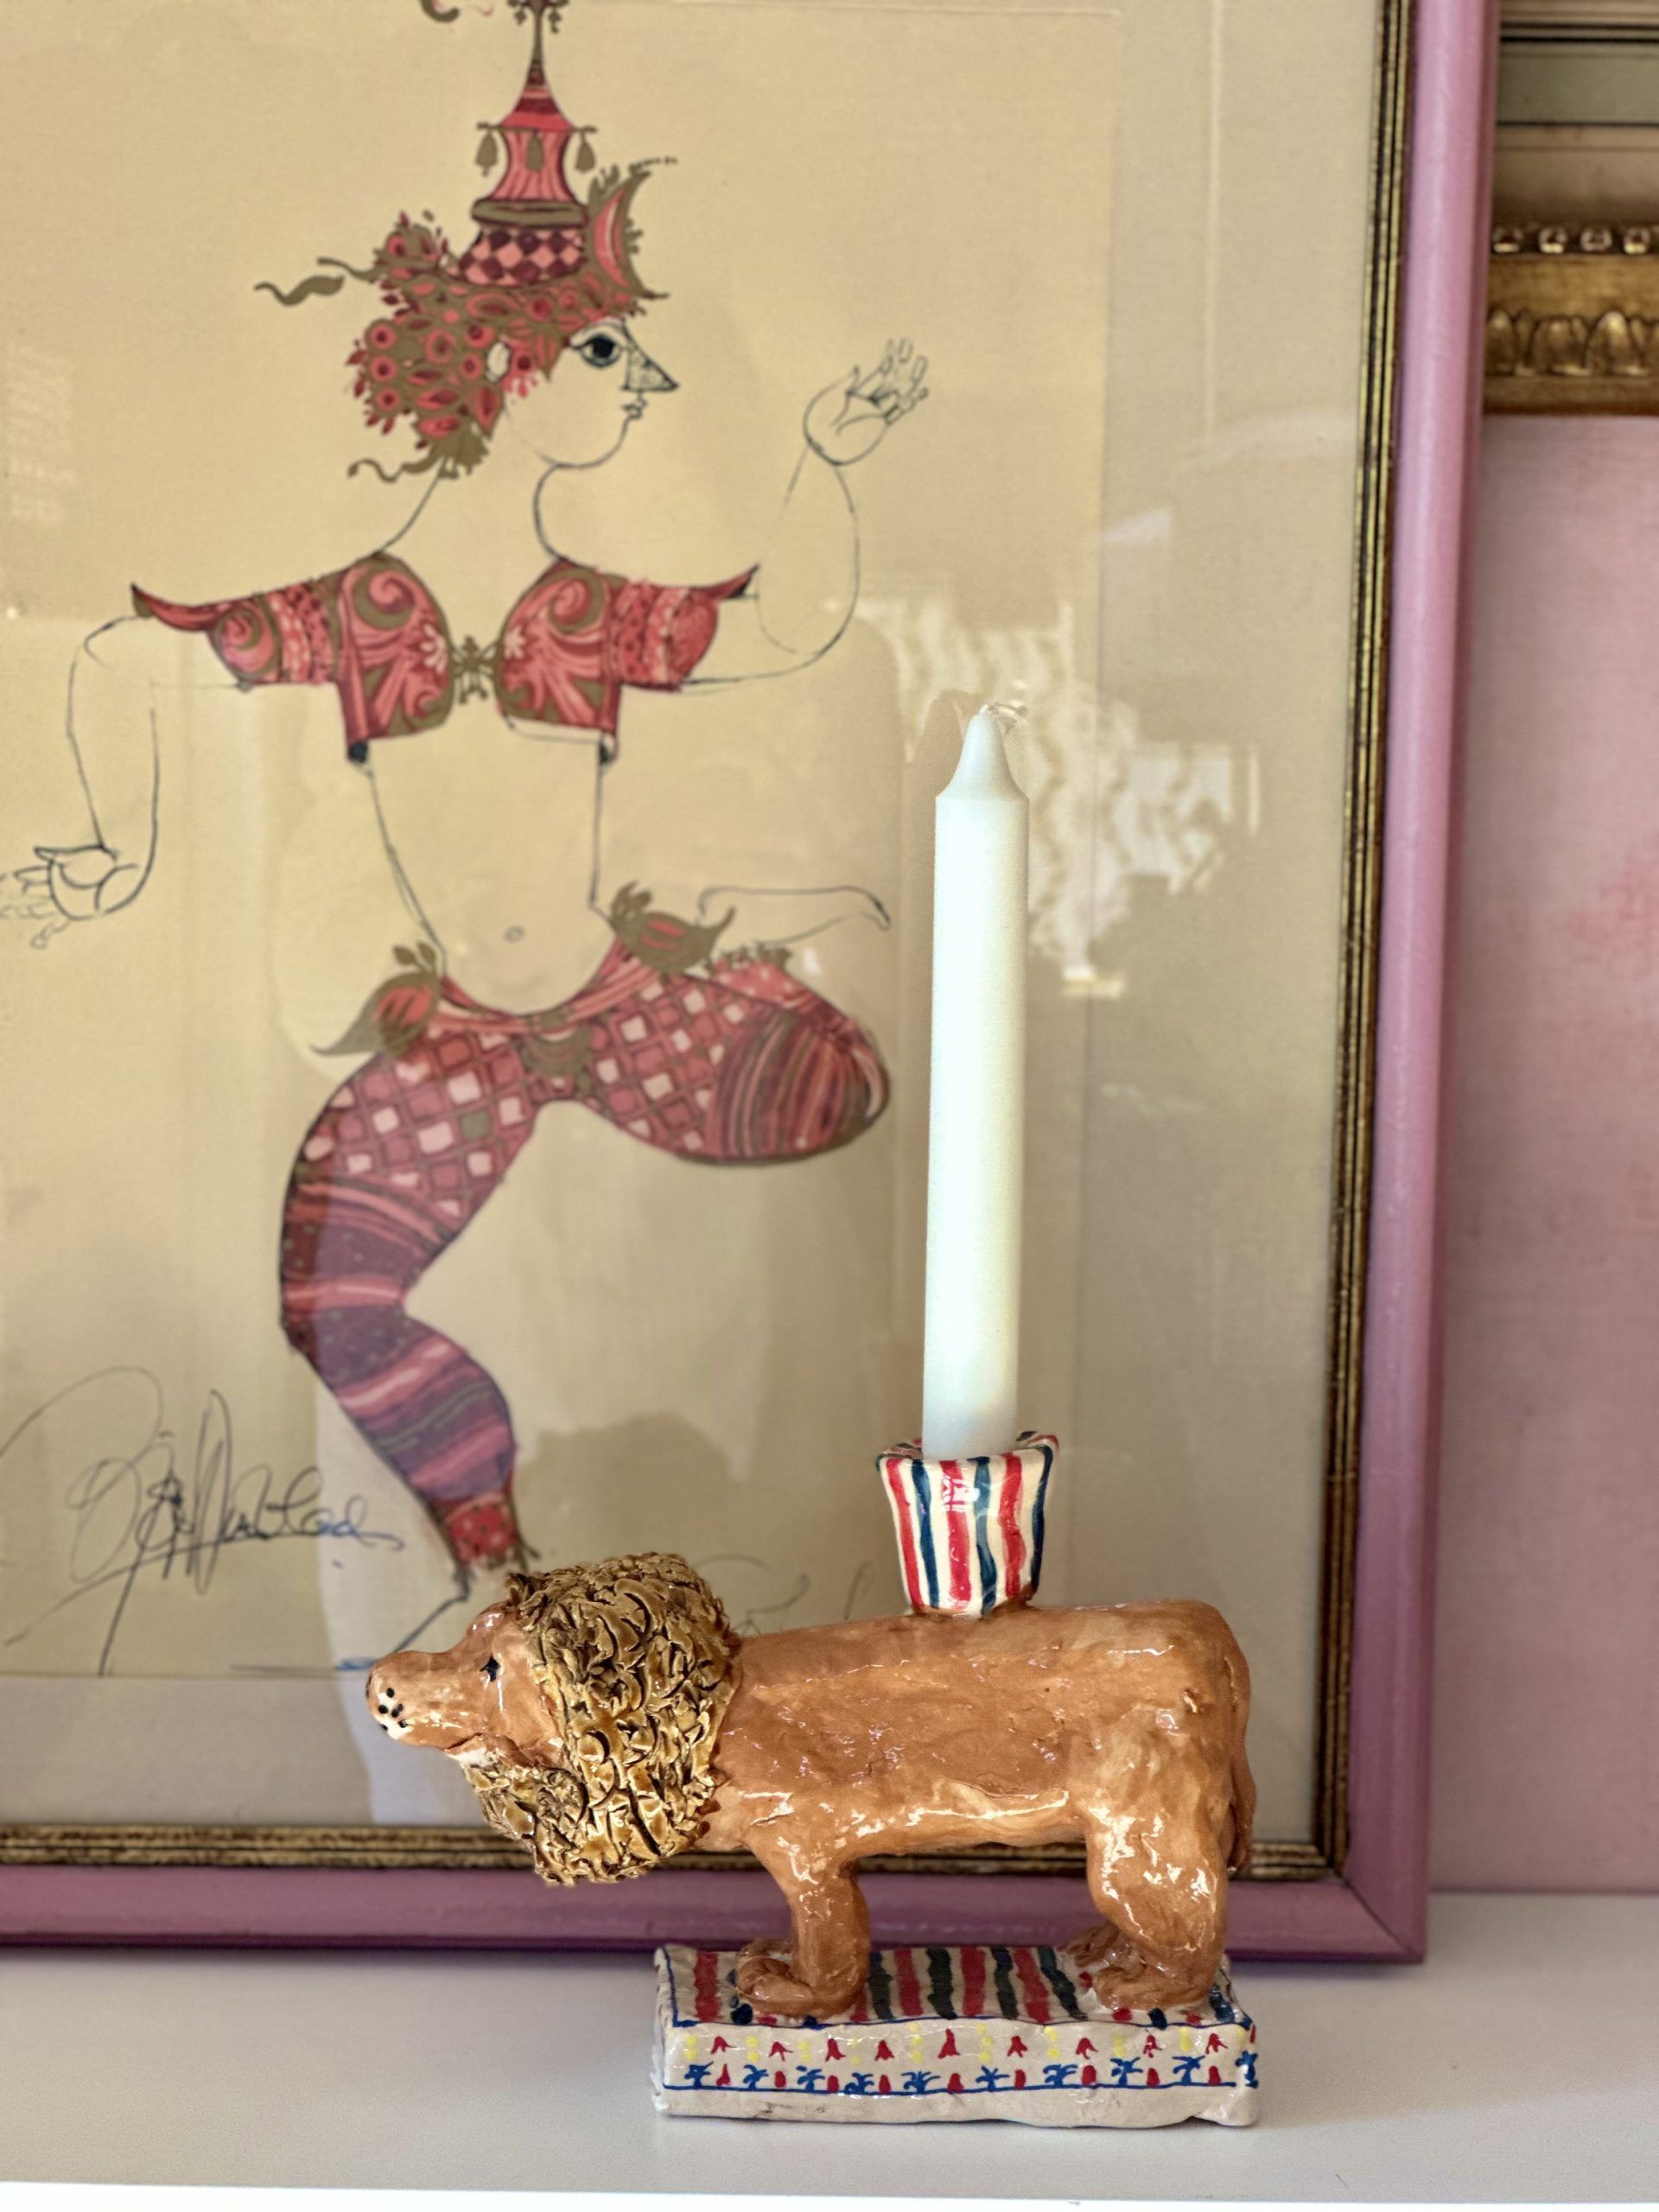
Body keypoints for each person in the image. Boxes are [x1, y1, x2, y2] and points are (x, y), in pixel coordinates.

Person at [5, 0, 925, 1576]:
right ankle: (491, 1550)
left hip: (621, 1030)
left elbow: (789, 628)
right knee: (331, 1298)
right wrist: (111, 848)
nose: (639, 385)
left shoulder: (585, 618)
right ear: (506, 371)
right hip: (466, 1058)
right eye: (606, 353)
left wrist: (825, 467)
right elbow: (118, 649)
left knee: (841, 1088)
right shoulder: (366, 617)